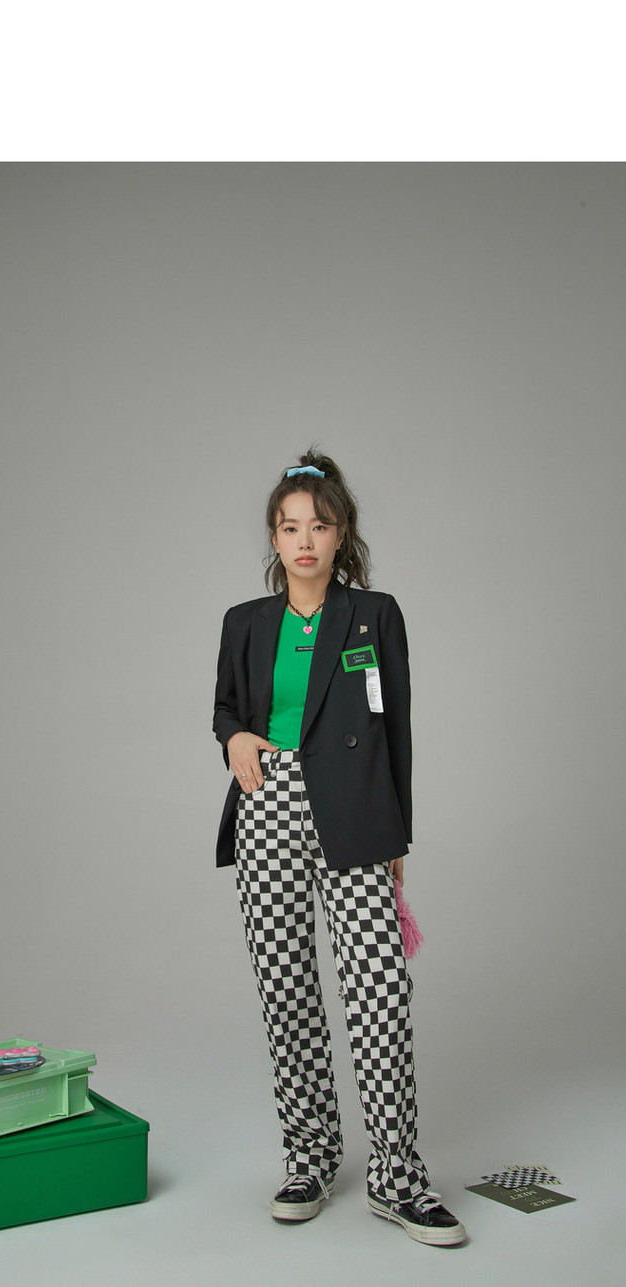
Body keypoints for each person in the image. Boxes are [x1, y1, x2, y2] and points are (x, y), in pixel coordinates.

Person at [212, 450, 466, 1246]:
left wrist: (398, 831)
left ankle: (397, 1177)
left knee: (379, 993)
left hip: (355, 810)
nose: (304, 541)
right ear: (273, 537)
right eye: (290, 527)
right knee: (285, 989)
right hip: (268, 806)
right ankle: (311, 1157)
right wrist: (234, 738)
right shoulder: (245, 622)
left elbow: (398, 728)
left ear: (341, 532)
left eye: (318, 526)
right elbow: (225, 709)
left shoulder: (374, 614)